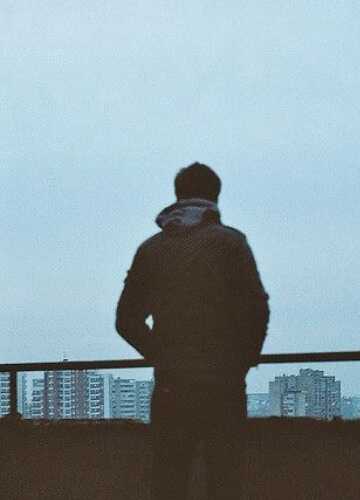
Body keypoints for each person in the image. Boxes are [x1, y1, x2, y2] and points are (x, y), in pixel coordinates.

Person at [115, 162, 270, 499]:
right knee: (225, 482)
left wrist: (163, 357)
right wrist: (240, 363)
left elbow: (126, 320)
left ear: (177, 195)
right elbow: (257, 311)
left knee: (169, 482)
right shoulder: (231, 244)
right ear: (216, 197)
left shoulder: (151, 249)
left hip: (171, 387)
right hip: (223, 386)